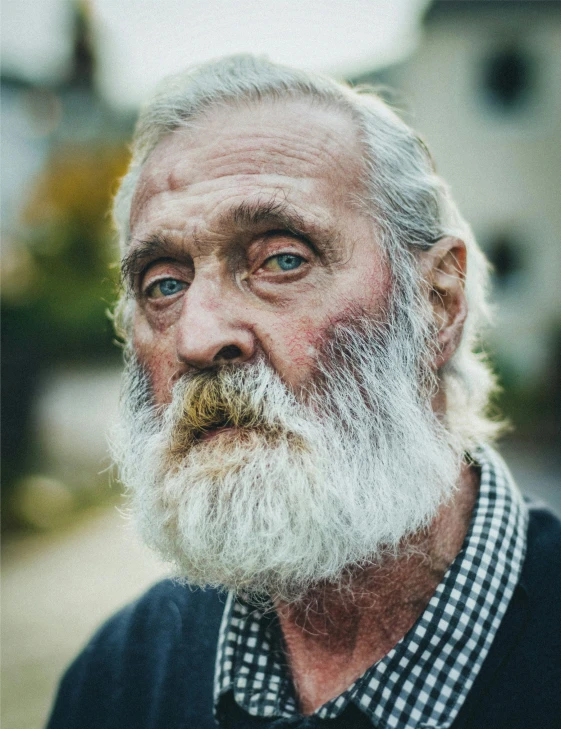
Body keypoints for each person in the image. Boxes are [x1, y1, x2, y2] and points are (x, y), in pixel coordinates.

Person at [46, 55, 560, 729]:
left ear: (436, 301)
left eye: (281, 259)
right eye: (164, 283)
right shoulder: (120, 676)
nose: (197, 338)